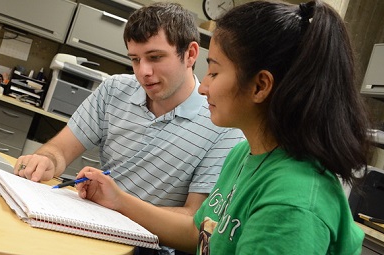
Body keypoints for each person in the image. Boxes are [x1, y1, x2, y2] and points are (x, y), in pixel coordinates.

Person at [75, 0, 371, 254]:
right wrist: (118, 200)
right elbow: (199, 234)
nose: (203, 88)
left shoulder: (292, 207)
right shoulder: (244, 154)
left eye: (214, 72)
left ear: (260, 86)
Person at [14, 2, 244, 215]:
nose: (143, 71)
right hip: (91, 219)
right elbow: (60, 150)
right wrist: (45, 160)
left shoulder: (222, 124)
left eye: (155, 57)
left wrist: (120, 203)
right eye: (135, 59)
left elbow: (193, 217)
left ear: (191, 54)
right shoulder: (115, 89)